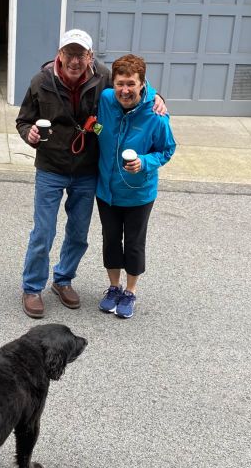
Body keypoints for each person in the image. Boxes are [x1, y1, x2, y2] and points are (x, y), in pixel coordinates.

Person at [15, 29, 165, 319]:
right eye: (69, 53)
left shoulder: (103, 76)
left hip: (86, 169)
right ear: (60, 55)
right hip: (51, 167)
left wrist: (157, 96)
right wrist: (29, 133)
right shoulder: (41, 81)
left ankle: (63, 280)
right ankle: (32, 287)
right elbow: (24, 120)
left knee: (79, 233)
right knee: (43, 231)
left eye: (80, 54)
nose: (74, 60)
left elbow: (132, 84)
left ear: (90, 56)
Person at [93, 54, 175, 319]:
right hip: (107, 189)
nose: (124, 90)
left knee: (135, 244)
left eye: (130, 84)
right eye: (120, 83)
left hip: (139, 193)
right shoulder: (105, 99)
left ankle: (130, 291)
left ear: (142, 84)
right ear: (113, 83)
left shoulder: (156, 115)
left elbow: (167, 149)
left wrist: (145, 162)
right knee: (110, 240)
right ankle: (113, 287)